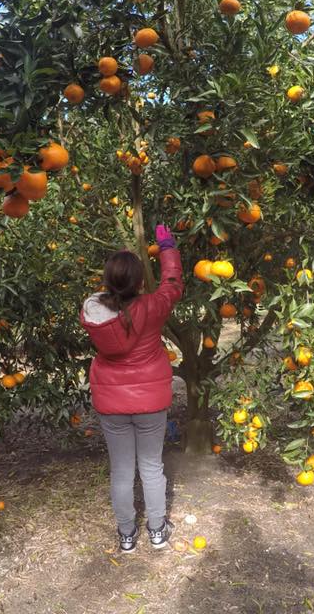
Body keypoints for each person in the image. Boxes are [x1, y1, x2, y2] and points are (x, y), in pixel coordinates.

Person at [80, 225, 184, 553]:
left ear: (107, 282)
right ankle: (156, 530)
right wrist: (167, 247)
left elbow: (110, 301)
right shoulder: (153, 307)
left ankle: (127, 535)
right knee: (151, 465)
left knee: (122, 470)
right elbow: (172, 284)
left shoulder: (95, 314)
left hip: (112, 401)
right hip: (151, 401)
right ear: (140, 283)